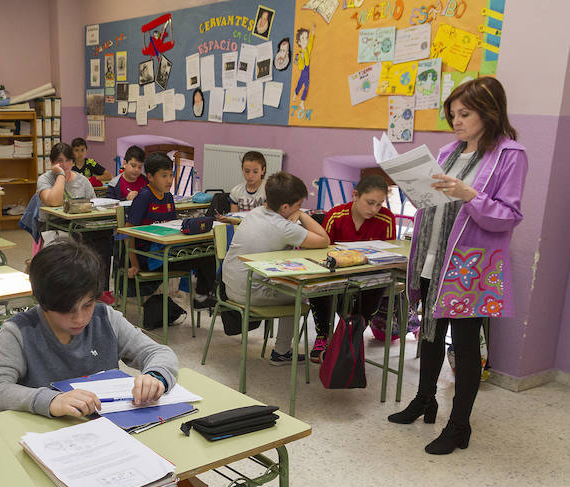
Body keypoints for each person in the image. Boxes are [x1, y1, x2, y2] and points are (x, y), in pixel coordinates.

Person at [0, 239, 206, 487]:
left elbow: (158, 352)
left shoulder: (106, 318)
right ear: (42, 302)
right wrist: (50, 400)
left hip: (111, 451)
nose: (80, 318)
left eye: (87, 304)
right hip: (54, 460)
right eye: (67, 311)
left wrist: (157, 377)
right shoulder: (19, 331)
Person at [388, 77, 527, 455]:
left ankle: (459, 425)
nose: (457, 121)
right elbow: (433, 202)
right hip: (433, 255)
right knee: (430, 335)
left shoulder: (510, 155)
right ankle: (424, 400)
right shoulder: (449, 150)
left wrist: (471, 195)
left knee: (465, 347)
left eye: (465, 114)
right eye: (453, 115)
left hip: (469, 266)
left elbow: (508, 216)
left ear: (489, 111)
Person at [222, 171, 330, 365]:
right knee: (298, 294)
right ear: (286, 207)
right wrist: (302, 215)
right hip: (250, 292)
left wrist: (295, 212)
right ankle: (282, 352)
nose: (300, 208)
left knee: (287, 286)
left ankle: (282, 350)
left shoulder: (255, 213)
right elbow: (324, 240)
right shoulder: (283, 227)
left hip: (229, 286)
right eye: (298, 205)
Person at [308, 174, 396, 362]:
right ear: (355, 195)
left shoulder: (387, 218)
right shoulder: (336, 215)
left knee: (377, 285)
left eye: (379, 204)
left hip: (368, 277)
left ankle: (348, 337)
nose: (374, 209)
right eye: (370, 202)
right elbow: (322, 253)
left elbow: (388, 257)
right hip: (336, 276)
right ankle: (323, 335)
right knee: (318, 285)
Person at [125, 152, 216, 309]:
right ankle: (200, 296)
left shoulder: (167, 197)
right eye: (163, 176)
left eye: (170, 175)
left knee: (207, 253)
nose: (169, 180)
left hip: (166, 251)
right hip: (148, 256)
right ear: (150, 177)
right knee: (202, 258)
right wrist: (134, 264)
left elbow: (172, 225)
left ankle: (202, 295)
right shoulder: (144, 197)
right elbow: (128, 232)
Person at [37, 142, 114, 301]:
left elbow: (93, 205)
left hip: (81, 224)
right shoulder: (44, 179)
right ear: (52, 163)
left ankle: (100, 288)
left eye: (67, 160)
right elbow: (54, 201)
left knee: (105, 237)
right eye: (59, 161)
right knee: (76, 243)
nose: (64, 165)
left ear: (72, 162)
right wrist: (60, 176)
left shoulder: (83, 181)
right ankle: (76, 288)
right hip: (52, 225)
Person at [293, 25, 315, 106]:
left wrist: (313, 34)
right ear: (299, 42)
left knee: (304, 85)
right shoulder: (299, 54)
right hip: (304, 70)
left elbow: (311, 42)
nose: (305, 40)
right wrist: (300, 58)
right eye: (303, 38)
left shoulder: (308, 49)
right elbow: (300, 66)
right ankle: (297, 95)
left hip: (307, 70)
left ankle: (301, 100)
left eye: (306, 38)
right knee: (302, 84)